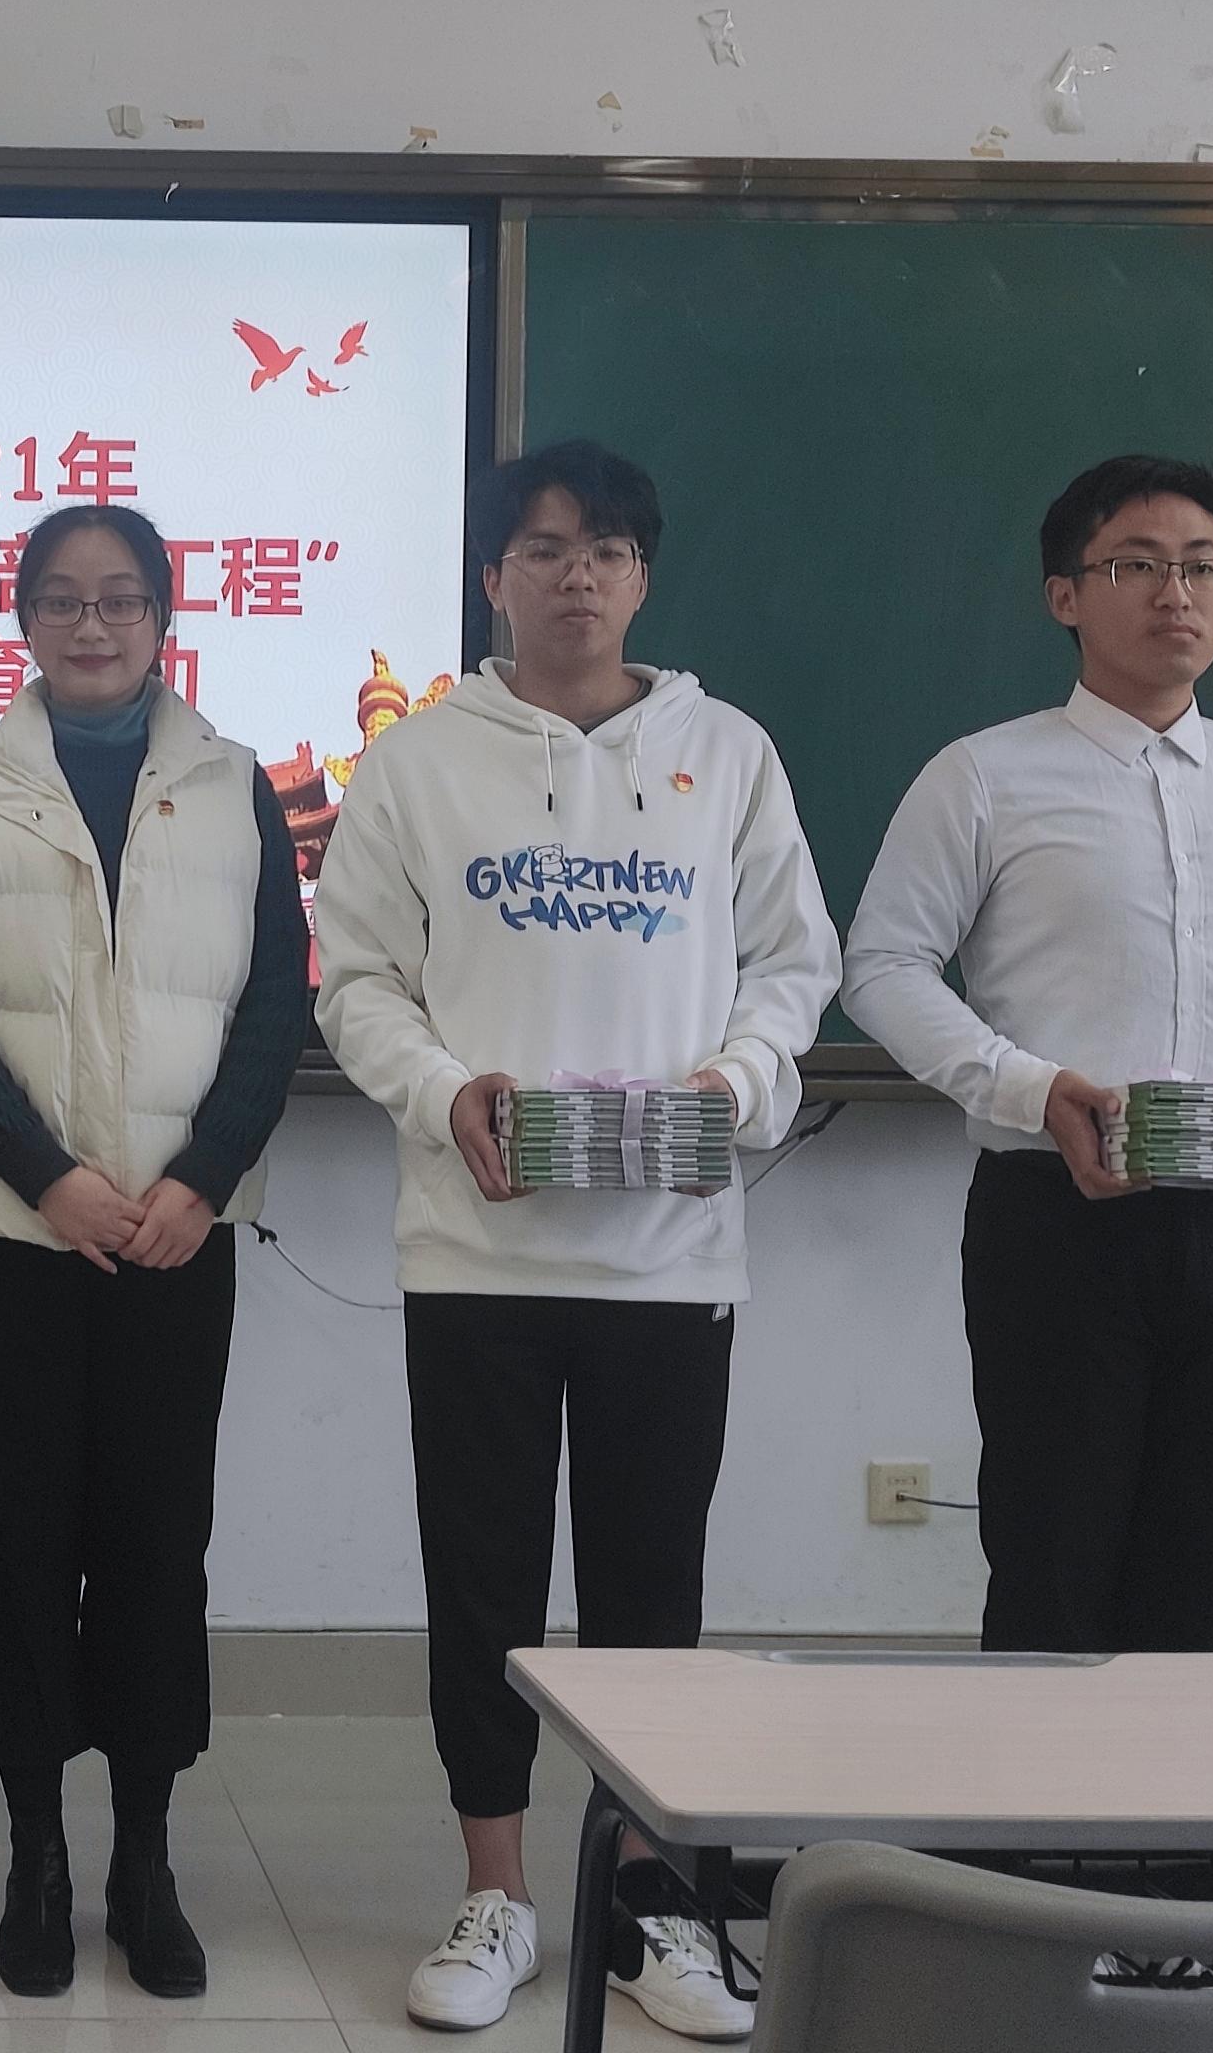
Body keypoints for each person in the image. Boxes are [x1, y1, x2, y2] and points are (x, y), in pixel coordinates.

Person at [313, 441, 837, 2042]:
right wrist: (443, 1091)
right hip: (476, 1252)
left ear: (643, 577)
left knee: (647, 1591)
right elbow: (357, 979)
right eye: (542, 549)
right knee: (481, 1586)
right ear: (493, 578)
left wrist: (734, 1085)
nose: (576, 576)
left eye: (606, 549)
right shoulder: (417, 763)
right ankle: (498, 1894)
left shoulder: (727, 753)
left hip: (669, 1262)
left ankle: (647, 1903)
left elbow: (793, 966)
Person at [841, 454, 1213, 1655]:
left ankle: (1178, 1789)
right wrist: (1028, 1087)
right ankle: (1033, 1791)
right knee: (1051, 1564)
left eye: (1204, 566)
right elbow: (883, 967)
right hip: (1059, 1220)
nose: (1178, 592)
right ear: (1065, 593)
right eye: (1139, 564)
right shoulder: (985, 775)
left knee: (1197, 1574)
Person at [0, 501, 309, 2003]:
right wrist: (51, 1180)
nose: (90, 624)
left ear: (163, 618)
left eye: (120, 598)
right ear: (20, 619)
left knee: (153, 1541)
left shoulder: (236, 785)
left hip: (179, 1240)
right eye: (61, 599)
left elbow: (276, 1003)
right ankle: (35, 1859)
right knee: (15, 1541)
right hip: (12, 1236)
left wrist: (201, 1178)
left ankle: (144, 1857)